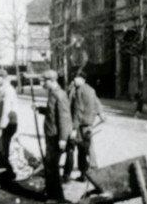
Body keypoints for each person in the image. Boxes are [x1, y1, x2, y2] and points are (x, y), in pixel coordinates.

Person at [34, 70, 72, 202]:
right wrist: (39, 109)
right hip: (51, 135)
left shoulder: (60, 95)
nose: (42, 83)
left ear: (51, 81)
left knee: (52, 167)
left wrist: (62, 139)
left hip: (56, 137)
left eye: (44, 81)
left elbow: (64, 118)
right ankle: (50, 193)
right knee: (49, 165)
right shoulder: (53, 93)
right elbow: (52, 113)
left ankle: (57, 198)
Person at [63, 72, 101, 183]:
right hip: (88, 124)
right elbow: (96, 103)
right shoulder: (91, 90)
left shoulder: (79, 90)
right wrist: (100, 114)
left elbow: (78, 111)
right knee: (85, 149)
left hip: (79, 125)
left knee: (73, 148)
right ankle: (85, 174)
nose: (73, 80)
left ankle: (67, 175)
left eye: (75, 78)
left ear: (82, 79)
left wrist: (74, 128)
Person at [0, 69, 18, 181]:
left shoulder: (8, 91)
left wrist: (0, 128)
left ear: (3, 77)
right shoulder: (2, 89)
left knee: (1, 149)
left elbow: (6, 111)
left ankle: (8, 174)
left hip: (8, 123)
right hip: (5, 123)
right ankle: (5, 172)